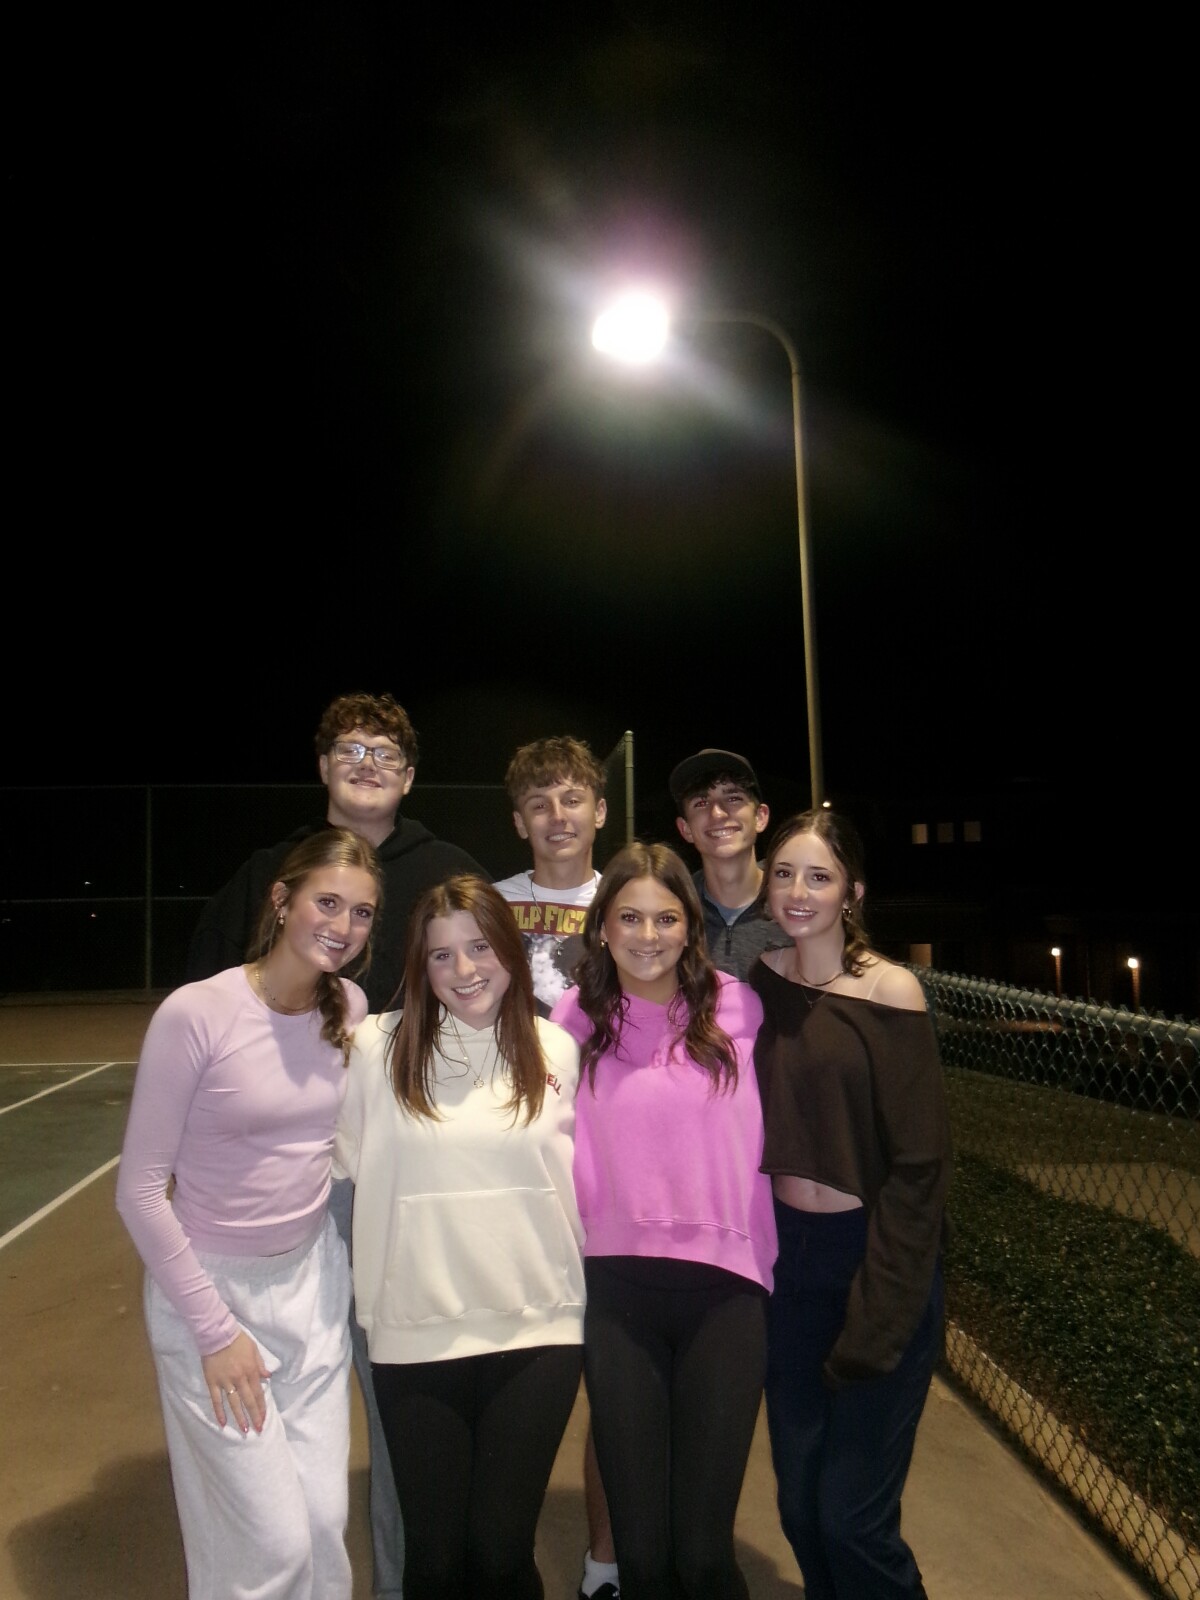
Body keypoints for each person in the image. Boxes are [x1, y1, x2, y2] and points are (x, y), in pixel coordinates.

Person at [186, 690, 488, 1600]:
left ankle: (403, 1582)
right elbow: (210, 1015)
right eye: (350, 750)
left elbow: (493, 1000)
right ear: (322, 767)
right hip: (292, 1186)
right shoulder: (268, 873)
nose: (366, 765)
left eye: (385, 753)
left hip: (411, 1174)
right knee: (284, 1403)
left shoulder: (446, 871)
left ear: (409, 776)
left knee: (402, 1395)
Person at [116, 829, 383, 1600]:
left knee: (324, 1527)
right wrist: (215, 1332)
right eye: (326, 902)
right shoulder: (197, 1013)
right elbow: (139, 1190)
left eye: (362, 912)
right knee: (269, 1549)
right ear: (281, 900)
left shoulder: (350, 1007)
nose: (342, 925)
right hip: (212, 1297)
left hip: (312, 1286)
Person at [336, 875, 586, 1600]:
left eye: (480, 947)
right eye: (441, 955)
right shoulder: (373, 1049)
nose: (465, 970)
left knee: (501, 1555)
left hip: (538, 1332)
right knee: (437, 1562)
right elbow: (335, 1167)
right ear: (420, 965)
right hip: (415, 1334)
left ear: (509, 948)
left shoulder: (557, 1048)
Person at [550, 842, 777, 1600]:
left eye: (667, 918)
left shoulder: (742, 1007)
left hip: (726, 1293)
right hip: (617, 1294)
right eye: (630, 917)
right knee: (643, 1558)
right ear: (602, 927)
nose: (648, 936)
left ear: (690, 928)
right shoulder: (573, 1019)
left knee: (703, 1556)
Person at [748, 809, 952, 1600]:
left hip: (873, 1259)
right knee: (800, 1509)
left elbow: (920, 1167)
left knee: (852, 1520)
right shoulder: (759, 985)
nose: (798, 891)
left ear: (853, 892)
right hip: (787, 1267)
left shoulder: (890, 990)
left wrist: (884, 1307)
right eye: (784, 874)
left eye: (819, 876)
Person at [491, 735, 616, 1600]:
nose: (557, 816)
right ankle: (499, 1557)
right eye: (539, 803)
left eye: (573, 798)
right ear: (518, 820)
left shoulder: (632, 899)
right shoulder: (492, 905)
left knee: (613, 1379)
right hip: (515, 1165)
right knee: (516, 1371)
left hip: (608, 1164)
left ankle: (605, 1563)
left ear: (600, 811)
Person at [669, 747, 788, 980]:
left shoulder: (796, 904)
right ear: (685, 829)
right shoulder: (672, 910)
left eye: (733, 798)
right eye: (701, 803)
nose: (718, 813)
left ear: (760, 817)